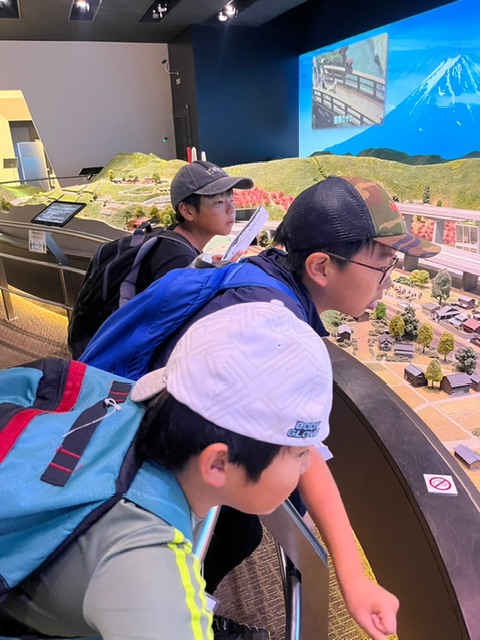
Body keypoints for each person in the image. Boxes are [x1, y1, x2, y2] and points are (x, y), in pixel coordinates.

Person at [82, 175, 441, 639]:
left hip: (130, 444)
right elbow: (302, 450)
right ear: (321, 266)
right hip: (136, 490)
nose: (387, 283)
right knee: (233, 532)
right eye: (382, 265)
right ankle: (187, 606)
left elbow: (301, 449)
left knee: (242, 529)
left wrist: (350, 575)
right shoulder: (267, 332)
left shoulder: (264, 284)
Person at [0, 301, 333, 640]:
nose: (308, 464)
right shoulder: (146, 569)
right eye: (300, 453)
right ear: (217, 463)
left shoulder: (133, 400)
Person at [135, 160, 253, 293]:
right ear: (187, 211)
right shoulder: (178, 260)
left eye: (231, 200)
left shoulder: (174, 242)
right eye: (219, 202)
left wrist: (204, 270)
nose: (231, 209)